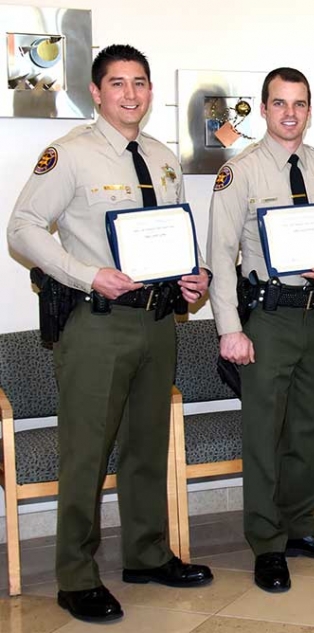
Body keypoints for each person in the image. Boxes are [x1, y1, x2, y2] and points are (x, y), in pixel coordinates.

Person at [7, 44, 212, 622]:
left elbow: (168, 237)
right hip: (96, 324)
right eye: (117, 84)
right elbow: (21, 229)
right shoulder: (68, 155)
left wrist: (191, 278)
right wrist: (86, 273)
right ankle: (75, 574)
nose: (130, 94)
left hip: (157, 321)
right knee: (87, 453)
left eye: (140, 83)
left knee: (147, 446)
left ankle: (147, 554)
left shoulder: (162, 156)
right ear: (96, 93)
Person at [207, 67, 314, 592]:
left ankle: (300, 527)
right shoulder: (241, 172)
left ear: (309, 109)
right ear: (266, 108)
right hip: (268, 320)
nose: (290, 113)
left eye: (299, 104)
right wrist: (230, 328)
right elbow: (220, 254)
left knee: (308, 429)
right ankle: (267, 543)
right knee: (264, 436)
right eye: (279, 103)